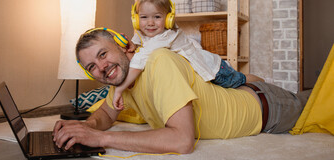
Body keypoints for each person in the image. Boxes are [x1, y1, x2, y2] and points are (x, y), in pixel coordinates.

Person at [52, 28, 311, 154]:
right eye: (92, 66)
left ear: (125, 46)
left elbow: (181, 141)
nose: (102, 67)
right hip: (244, 91)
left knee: (315, 102)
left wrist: (101, 139)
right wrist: (87, 127)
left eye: (103, 54)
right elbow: (107, 115)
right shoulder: (120, 83)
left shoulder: (158, 61)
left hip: (268, 107)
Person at [113, 0, 246, 110]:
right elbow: (140, 44)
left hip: (215, 70)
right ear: (136, 19)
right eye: (144, 17)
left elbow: (139, 61)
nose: (150, 23)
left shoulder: (165, 36)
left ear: (168, 19)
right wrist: (130, 44)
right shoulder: (145, 34)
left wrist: (120, 89)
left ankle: (259, 80)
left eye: (157, 17)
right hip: (204, 67)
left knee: (241, 82)